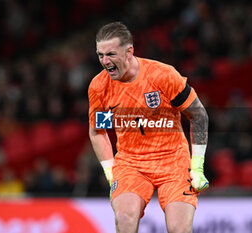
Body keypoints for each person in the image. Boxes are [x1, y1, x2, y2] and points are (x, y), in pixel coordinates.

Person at [88, 22, 209, 233]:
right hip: (131, 164)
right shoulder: (100, 87)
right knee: (125, 219)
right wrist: (110, 171)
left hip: (173, 161)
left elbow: (198, 115)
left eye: (110, 54)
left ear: (129, 52)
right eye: (100, 55)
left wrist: (197, 165)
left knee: (178, 228)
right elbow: (98, 131)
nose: (105, 62)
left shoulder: (162, 76)